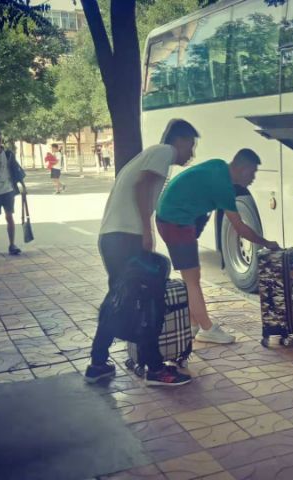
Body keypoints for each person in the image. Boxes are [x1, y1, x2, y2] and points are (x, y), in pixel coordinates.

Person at [85, 119, 200, 386]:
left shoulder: (151, 154)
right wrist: (147, 231)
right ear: (180, 141)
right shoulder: (164, 151)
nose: (191, 153)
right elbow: (140, 186)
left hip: (114, 237)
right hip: (125, 237)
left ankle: (98, 363)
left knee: (120, 300)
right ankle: (155, 369)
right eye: (191, 146)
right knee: (147, 300)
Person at [156, 148, 280, 345]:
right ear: (242, 168)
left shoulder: (219, 166)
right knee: (192, 280)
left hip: (173, 217)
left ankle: (193, 323)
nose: (253, 178)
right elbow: (239, 228)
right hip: (176, 221)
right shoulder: (224, 187)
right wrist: (266, 243)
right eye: (252, 172)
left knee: (192, 278)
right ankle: (207, 329)